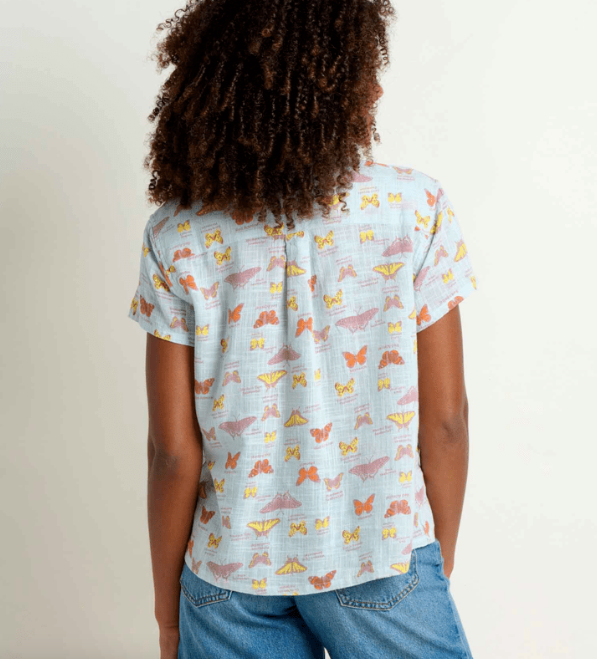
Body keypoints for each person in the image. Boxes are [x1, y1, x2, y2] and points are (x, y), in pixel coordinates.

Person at [127, 1, 479, 657]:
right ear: (338, 86)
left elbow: (172, 452)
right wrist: (434, 556)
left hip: (228, 581)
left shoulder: (177, 234)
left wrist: (167, 613)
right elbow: (447, 420)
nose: (377, 89)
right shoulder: (414, 209)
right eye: (365, 72)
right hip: (379, 553)